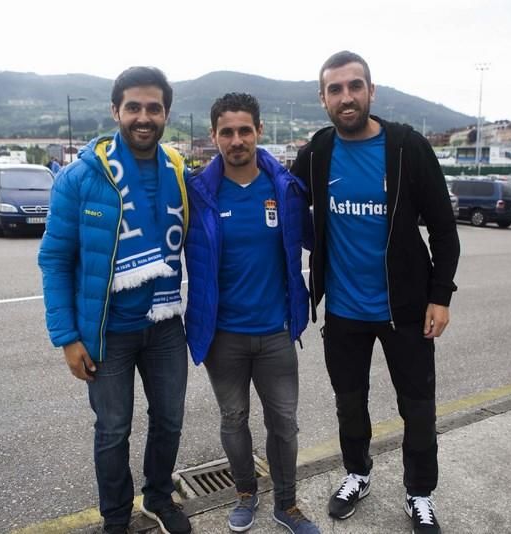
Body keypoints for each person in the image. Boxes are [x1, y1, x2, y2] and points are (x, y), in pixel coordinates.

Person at [290, 51, 460, 534]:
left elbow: (445, 230)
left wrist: (440, 296)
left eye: (355, 86)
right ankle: (358, 473)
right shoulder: (318, 152)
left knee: (418, 407)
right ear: (323, 98)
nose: (347, 97)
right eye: (336, 89)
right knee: (350, 403)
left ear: (371, 91)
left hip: (405, 310)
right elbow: (280, 198)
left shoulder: (407, 147)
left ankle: (419, 493)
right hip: (343, 311)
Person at [37, 66, 192, 534]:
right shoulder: (80, 177)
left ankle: (159, 498)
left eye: (154, 108)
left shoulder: (178, 170)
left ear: (165, 113)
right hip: (107, 331)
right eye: (134, 108)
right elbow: (55, 260)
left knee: (169, 420)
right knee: (113, 430)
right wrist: (66, 337)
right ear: (115, 111)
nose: (144, 117)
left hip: (165, 323)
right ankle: (115, 517)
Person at [184, 93, 319, 534]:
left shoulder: (286, 189)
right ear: (213, 136)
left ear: (259, 131)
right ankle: (245, 492)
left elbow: (325, 242)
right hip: (222, 335)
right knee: (233, 420)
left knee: (284, 423)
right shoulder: (198, 194)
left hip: (277, 333)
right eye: (227, 132)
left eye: (245, 130)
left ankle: (287, 503)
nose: (236, 140)